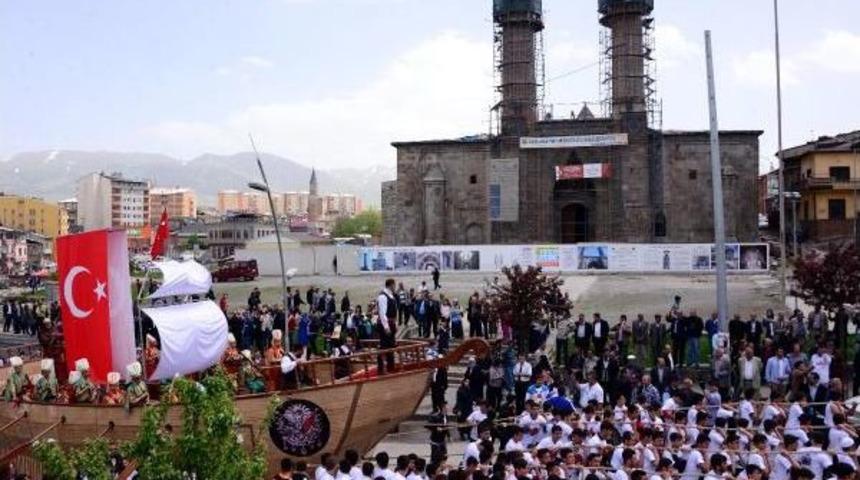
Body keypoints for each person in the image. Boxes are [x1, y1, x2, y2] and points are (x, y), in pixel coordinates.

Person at [376, 278, 398, 374]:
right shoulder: (383, 296)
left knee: (391, 347)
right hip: (386, 324)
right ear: (391, 285)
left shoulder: (391, 296)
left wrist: (394, 324)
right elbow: (382, 313)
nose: (395, 287)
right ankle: (382, 369)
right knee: (384, 346)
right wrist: (386, 327)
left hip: (391, 323)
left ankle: (390, 368)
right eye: (394, 285)